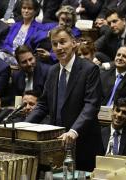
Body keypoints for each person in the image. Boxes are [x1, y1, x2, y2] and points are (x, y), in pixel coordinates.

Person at [26, 26, 103, 171]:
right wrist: (24, 126)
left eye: (62, 42)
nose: (59, 47)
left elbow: (91, 105)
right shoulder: (52, 71)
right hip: (57, 143)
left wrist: (74, 131)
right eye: (55, 44)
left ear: (74, 43)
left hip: (83, 142)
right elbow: (43, 105)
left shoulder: (89, 69)